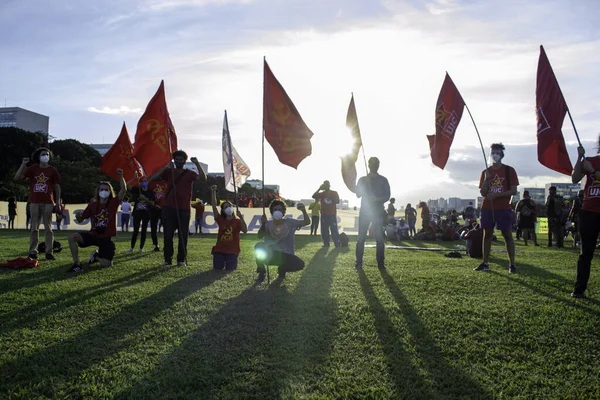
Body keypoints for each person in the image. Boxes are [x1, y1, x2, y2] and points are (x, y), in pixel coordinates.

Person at [151, 150, 207, 266]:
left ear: (185, 161)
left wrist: (197, 164)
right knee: (168, 235)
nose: (178, 161)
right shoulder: (169, 172)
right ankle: (167, 259)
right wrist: (165, 167)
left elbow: (203, 178)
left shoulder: (189, 173)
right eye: (176, 159)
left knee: (183, 236)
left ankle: (181, 260)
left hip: (184, 209)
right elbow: (153, 178)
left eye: (181, 159)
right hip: (169, 208)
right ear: (174, 160)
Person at [67, 169, 126, 273]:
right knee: (72, 237)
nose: (104, 191)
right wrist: (78, 216)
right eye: (102, 189)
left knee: (106, 264)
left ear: (110, 192)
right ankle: (77, 264)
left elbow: (123, 190)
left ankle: (96, 257)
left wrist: (121, 177)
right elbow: (81, 219)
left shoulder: (113, 203)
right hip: (93, 234)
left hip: (106, 238)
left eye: (106, 190)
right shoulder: (93, 205)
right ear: (98, 192)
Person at [474, 143, 519, 273]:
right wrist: (486, 180)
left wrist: (498, 195)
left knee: (507, 235)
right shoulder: (485, 172)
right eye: (493, 152)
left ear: (502, 155)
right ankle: (485, 262)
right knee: (487, 234)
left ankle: (512, 264)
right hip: (487, 207)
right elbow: (483, 192)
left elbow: (513, 190)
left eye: (497, 152)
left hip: (503, 207)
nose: (495, 155)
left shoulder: (509, 170)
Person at [14, 148, 61, 260]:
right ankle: (33, 251)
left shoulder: (52, 170)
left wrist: (58, 202)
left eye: (47, 154)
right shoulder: (33, 169)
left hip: (48, 202)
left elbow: (57, 186)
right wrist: (23, 164)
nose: (45, 156)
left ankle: (49, 252)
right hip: (34, 201)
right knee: (34, 227)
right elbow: (17, 178)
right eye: (43, 154)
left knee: (48, 228)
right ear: (38, 157)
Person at [255, 200, 310, 283]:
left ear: (284, 212)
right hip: (271, 254)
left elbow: (307, 222)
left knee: (300, 264)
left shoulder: (290, 222)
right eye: (275, 209)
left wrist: (303, 210)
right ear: (271, 212)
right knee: (259, 246)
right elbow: (260, 236)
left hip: (287, 255)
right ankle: (261, 270)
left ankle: (282, 270)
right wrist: (263, 224)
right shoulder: (267, 224)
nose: (277, 211)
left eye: (280, 209)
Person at [570, 142, 600, 298]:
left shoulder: (592, 166)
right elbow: (575, 178)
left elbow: (593, 172)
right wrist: (580, 158)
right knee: (586, 252)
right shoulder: (590, 160)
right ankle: (579, 288)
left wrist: (593, 171)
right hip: (589, 211)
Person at [355, 157, 391, 270]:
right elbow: (357, 194)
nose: (374, 165)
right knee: (361, 238)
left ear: (379, 165)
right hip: (365, 212)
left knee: (380, 238)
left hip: (378, 212)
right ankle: (358, 263)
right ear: (369, 165)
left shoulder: (383, 180)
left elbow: (387, 195)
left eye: (376, 163)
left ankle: (381, 263)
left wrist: (377, 199)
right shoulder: (362, 179)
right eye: (372, 163)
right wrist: (364, 186)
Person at [210, 185, 247, 271]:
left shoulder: (237, 221)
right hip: (219, 250)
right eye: (226, 207)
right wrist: (213, 192)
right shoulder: (220, 220)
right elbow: (214, 207)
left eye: (229, 206)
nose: (228, 208)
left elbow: (245, 230)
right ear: (223, 210)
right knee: (217, 268)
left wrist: (241, 218)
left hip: (232, 251)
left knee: (230, 269)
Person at [127, 176, 156, 253]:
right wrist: (133, 178)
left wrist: (146, 199)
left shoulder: (150, 192)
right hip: (137, 213)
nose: (144, 182)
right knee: (135, 232)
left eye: (145, 181)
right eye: (142, 181)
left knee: (144, 231)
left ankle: (141, 248)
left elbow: (153, 204)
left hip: (146, 214)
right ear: (140, 183)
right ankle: (132, 247)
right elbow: (127, 186)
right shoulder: (137, 190)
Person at [312, 180, 341, 247]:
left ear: (329, 186)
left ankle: (337, 243)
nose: (326, 186)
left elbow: (337, 201)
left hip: (332, 214)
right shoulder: (321, 194)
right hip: (324, 214)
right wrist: (319, 189)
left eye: (327, 185)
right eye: (324, 185)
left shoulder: (334, 193)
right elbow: (313, 196)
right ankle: (326, 243)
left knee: (334, 229)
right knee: (324, 229)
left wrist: (329, 197)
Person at [149, 180, 167, 246]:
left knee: (167, 227)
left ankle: (166, 244)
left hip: (164, 208)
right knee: (153, 228)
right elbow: (148, 195)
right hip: (154, 208)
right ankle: (155, 244)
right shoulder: (151, 182)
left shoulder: (166, 182)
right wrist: (153, 204)